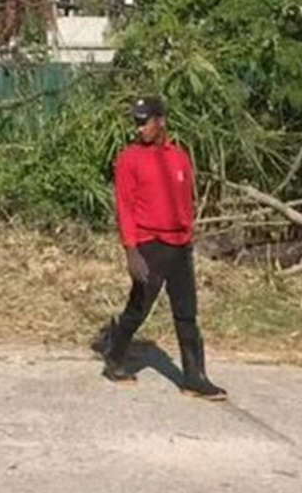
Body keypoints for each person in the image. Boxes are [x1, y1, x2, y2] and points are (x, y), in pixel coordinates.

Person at [94, 94, 225, 400]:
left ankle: (194, 377)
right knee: (139, 309)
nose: (139, 128)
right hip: (149, 245)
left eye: (144, 122)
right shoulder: (129, 158)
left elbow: (185, 201)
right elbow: (124, 206)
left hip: (179, 245)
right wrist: (130, 249)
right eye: (136, 123)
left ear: (161, 122)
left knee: (187, 312)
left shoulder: (179, 158)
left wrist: (188, 235)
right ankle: (114, 357)